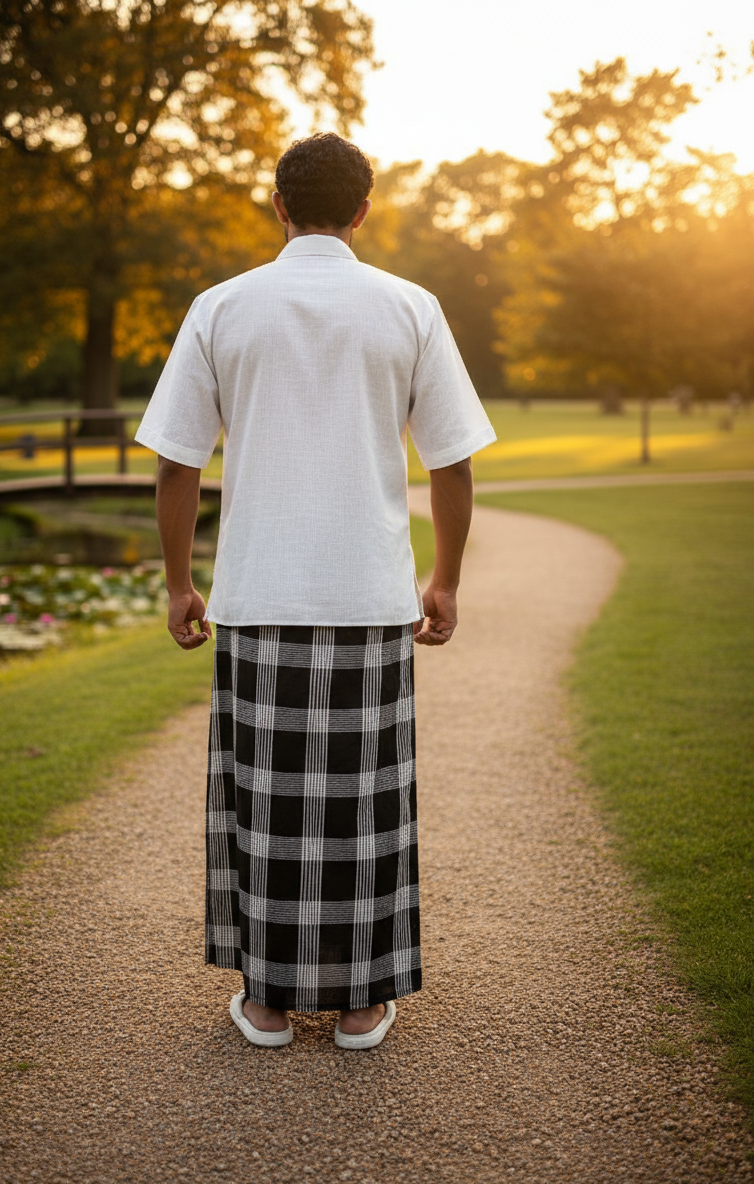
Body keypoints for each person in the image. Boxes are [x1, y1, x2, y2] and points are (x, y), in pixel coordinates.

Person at [135, 132, 496, 1050]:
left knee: (264, 803)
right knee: (364, 808)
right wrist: (446, 580)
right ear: (364, 210)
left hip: (259, 594)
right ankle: (361, 1004)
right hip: (369, 598)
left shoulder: (221, 307)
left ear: (278, 204)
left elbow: (177, 464)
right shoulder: (411, 308)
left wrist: (178, 584)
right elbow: (451, 462)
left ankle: (265, 1002)